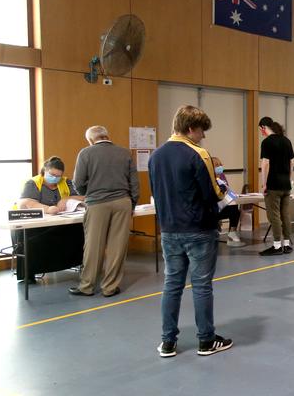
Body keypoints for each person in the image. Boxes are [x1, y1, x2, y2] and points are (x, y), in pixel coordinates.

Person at [149, 105, 233, 358]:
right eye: (201, 131)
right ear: (190, 129)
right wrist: (224, 191)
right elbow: (212, 194)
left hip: (169, 229)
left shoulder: (155, 156)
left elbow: (156, 193)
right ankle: (206, 340)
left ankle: (168, 342)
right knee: (201, 286)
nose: (203, 136)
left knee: (171, 285)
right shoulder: (199, 154)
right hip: (198, 229)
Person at [69, 126, 139, 297]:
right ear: (107, 136)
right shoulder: (124, 153)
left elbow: (77, 183)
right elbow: (134, 183)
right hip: (123, 202)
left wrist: (88, 193)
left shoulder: (85, 153)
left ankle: (87, 286)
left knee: (93, 245)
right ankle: (110, 287)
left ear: (91, 140)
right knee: (118, 246)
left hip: (97, 203)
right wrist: (132, 203)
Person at [15, 156, 85, 282]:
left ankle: (77, 262)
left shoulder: (66, 182)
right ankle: (29, 273)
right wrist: (47, 209)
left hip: (60, 221)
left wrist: (66, 199)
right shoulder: (34, 183)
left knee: (78, 230)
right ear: (44, 171)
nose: (55, 178)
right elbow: (25, 203)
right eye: (52, 174)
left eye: (58, 176)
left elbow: (83, 197)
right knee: (32, 238)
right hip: (36, 225)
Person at [258, 116, 294, 256]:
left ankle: (277, 246)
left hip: (273, 185)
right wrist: (288, 180)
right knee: (285, 214)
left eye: (260, 129)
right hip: (286, 185)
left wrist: (264, 184)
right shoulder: (286, 141)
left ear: (263, 127)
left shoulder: (267, 142)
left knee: (274, 216)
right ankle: (286, 245)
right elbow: (292, 163)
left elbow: (265, 163)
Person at [211, 156, 244, 247]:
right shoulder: (209, 179)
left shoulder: (221, 176)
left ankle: (232, 232)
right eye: (217, 165)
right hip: (211, 208)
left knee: (235, 209)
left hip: (221, 205)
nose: (220, 167)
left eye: (220, 164)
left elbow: (227, 190)